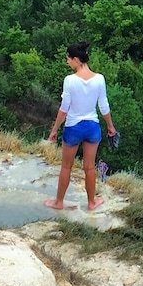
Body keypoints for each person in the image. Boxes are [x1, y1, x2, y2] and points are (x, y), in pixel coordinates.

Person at [44, 42, 117, 211]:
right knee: (89, 167)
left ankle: (59, 202)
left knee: (66, 166)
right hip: (92, 127)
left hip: (73, 128)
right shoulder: (99, 79)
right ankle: (91, 202)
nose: (67, 62)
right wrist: (110, 127)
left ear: (76, 59)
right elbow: (104, 106)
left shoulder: (70, 80)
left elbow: (64, 108)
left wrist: (54, 130)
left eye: (68, 59)